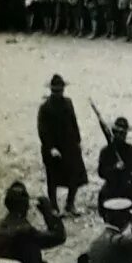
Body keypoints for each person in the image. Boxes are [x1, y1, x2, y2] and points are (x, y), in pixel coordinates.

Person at [37, 74, 88, 215]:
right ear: (51, 90)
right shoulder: (45, 108)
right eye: (56, 90)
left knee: (75, 176)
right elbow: (43, 131)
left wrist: (78, 141)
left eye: (60, 90)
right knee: (52, 178)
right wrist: (51, 147)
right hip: (53, 148)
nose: (58, 93)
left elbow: (73, 122)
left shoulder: (68, 103)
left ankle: (70, 204)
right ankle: (54, 206)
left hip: (69, 146)